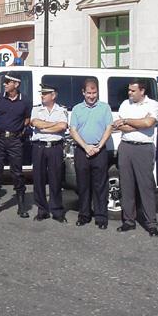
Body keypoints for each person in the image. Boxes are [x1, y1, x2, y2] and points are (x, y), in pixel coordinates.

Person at [113, 79, 158, 236]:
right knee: (126, 186)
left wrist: (127, 121)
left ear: (142, 91)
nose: (129, 93)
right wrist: (139, 123)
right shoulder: (125, 104)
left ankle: (151, 222)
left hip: (143, 148)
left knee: (146, 186)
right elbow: (119, 126)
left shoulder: (152, 104)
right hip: (126, 147)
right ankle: (129, 220)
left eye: (133, 90)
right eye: (129, 90)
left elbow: (149, 123)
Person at [0, 72, 32, 218]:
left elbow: (27, 119)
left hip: (15, 140)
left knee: (17, 172)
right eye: (5, 82)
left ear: (16, 84)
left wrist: (16, 129)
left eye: (8, 82)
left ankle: (21, 207)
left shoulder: (25, 101)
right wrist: (1, 127)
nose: (5, 84)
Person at [70, 78, 113, 229]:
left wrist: (99, 146)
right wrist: (86, 146)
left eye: (94, 92)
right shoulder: (77, 109)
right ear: (83, 92)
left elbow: (109, 127)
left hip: (99, 150)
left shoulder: (105, 107)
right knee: (83, 185)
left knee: (100, 185)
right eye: (88, 93)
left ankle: (101, 217)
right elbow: (73, 130)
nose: (91, 96)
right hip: (82, 151)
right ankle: (84, 215)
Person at [30, 84, 68, 223]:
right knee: (38, 179)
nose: (42, 95)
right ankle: (42, 210)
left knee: (56, 179)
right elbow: (35, 123)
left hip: (55, 147)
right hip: (39, 146)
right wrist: (53, 125)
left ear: (53, 95)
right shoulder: (36, 109)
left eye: (45, 93)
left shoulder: (61, 109)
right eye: (42, 93)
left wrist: (45, 126)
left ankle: (57, 210)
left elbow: (63, 126)